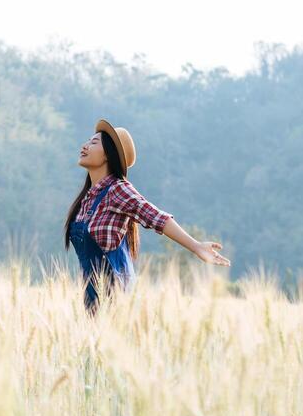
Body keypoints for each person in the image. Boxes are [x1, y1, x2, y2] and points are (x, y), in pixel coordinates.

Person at [65, 118, 230, 313]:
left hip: (117, 301)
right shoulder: (87, 199)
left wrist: (195, 246)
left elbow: (155, 217)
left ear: (109, 155)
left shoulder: (118, 189)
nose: (84, 146)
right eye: (87, 141)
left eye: (93, 143)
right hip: (91, 299)